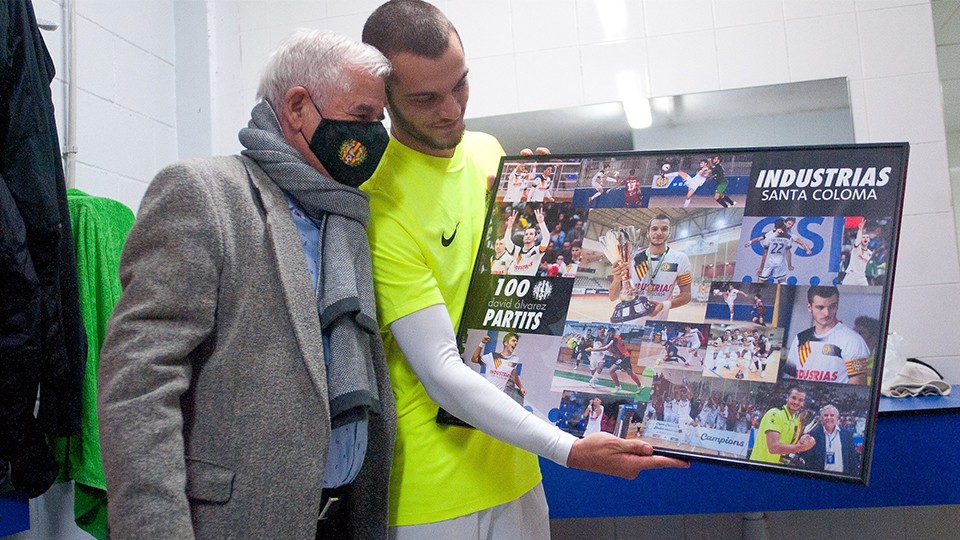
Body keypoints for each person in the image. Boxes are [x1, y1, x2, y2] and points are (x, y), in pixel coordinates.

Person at [360, 2, 688, 537]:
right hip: (436, 494)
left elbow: (522, 303)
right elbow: (442, 369)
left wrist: (546, 200)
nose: (451, 110)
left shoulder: (489, 152)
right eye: (426, 98)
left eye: (460, 85)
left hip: (517, 464)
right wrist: (570, 449)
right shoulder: (380, 202)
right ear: (383, 97)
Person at [97, 31, 395, 538]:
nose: (375, 135)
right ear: (298, 106)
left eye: (379, 121)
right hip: (236, 522)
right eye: (363, 117)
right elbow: (139, 381)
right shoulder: (203, 194)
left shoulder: (346, 217)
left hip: (346, 519)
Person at [608, 213, 692, 323]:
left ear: (669, 233)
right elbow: (613, 297)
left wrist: (664, 305)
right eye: (654, 229)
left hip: (655, 324)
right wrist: (617, 278)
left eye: (664, 229)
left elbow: (686, 295)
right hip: (628, 324)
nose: (659, 233)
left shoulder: (680, 259)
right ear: (648, 233)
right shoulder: (632, 257)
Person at [785, 286, 870, 385]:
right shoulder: (800, 338)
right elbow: (792, 380)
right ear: (809, 307)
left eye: (832, 306)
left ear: (837, 306)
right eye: (820, 307)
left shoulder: (853, 340)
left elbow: (857, 388)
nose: (826, 313)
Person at [748, 387, 816, 464]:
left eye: (800, 400)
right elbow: (773, 447)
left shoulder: (795, 420)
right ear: (787, 397)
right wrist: (800, 447)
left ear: (803, 403)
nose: (796, 402)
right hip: (760, 467)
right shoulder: (775, 414)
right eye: (793, 398)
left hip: (778, 469)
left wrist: (800, 442)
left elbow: (789, 446)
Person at [801, 404, 860, 475]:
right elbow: (808, 457)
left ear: (837, 418)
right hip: (820, 476)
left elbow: (852, 458)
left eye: (832, 415)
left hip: (842, 477)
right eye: (825, 415)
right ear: (821, 418)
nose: (829, 417)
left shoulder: (846, 434)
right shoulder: (814, 433)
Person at [471, 334, 526, 401]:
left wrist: (521, 387)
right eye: (513, 341)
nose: (515, 343)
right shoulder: (492, 356)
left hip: (499, 397)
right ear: (505, 343)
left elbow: (513, 373)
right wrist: (482, 343)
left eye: (516, 342)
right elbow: (474, 359)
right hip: (487, 394)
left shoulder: (515, 359)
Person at [502, 208, 550, 275]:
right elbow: (506, 241)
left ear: (535, 238)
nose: (528, 236)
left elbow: (546, 238)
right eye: (526, 234)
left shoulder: (537, 251)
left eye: (531, 234)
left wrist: (541, 223)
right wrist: (509, 226)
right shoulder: (516, 250)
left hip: (527, 281)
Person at [603, 327, 644, 394]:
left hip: (623, 357)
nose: (608, 335)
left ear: (613, 333)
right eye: (608, 334)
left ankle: (618, 386)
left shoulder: (615, 338)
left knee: (611, 370)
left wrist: (593, 350)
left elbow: (606, 347)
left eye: (610, 334)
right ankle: (640, 386)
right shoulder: (614, 336)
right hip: (624, 356)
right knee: (630, 372)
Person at [841, 221, 872, 286]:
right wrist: (860, 230)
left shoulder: (870, 253)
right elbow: (857, 242)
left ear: (869, 240)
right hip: (851, 275)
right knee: (844, 293)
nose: (865, 239)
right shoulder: (856, 248)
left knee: (867, 293)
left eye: (867, 237)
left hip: (862, 277)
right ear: (861, 239)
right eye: (863, 237)